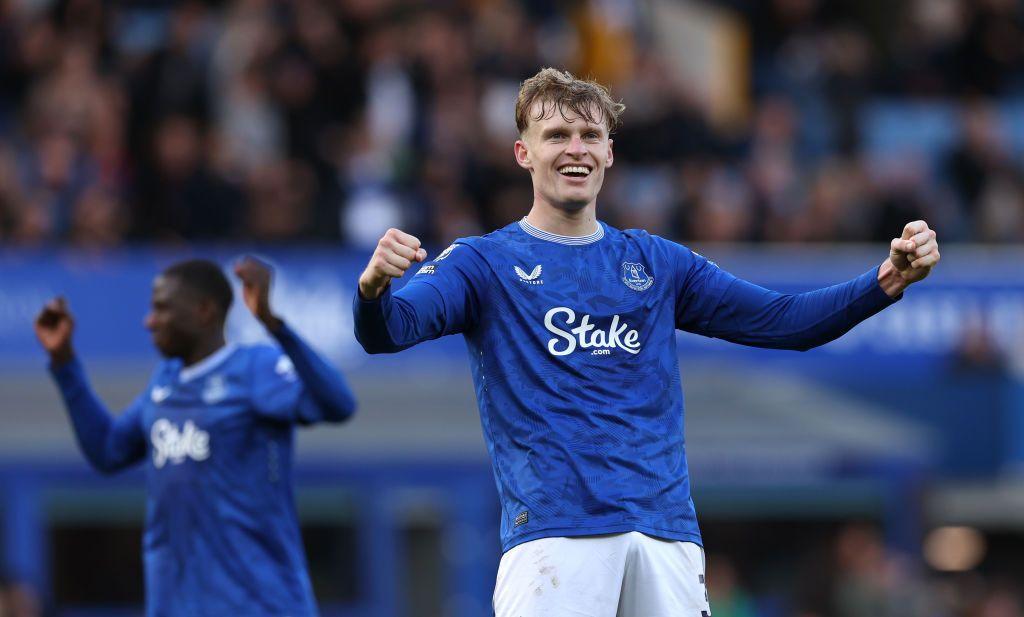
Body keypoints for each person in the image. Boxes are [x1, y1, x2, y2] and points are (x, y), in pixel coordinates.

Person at [352, 68, 940, 616]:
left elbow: (785, 321)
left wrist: (883, 281)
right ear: (522, 153)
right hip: (556, 538)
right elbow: (391, 332)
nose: (575, 148)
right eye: (556, 134)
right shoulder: (484, 263)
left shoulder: (656, 262)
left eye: (590, 134)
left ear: (609, 151)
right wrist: (374, 288)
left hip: (666, 535)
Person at [35, 257, 356, 617]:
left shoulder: (254, 368)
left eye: (162, 309)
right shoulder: (165, 383)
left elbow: (339, 404)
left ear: (204, 311)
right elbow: (108, 452)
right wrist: (64, 363)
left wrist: (274, 325)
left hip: (260, 605)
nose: (149, 321)